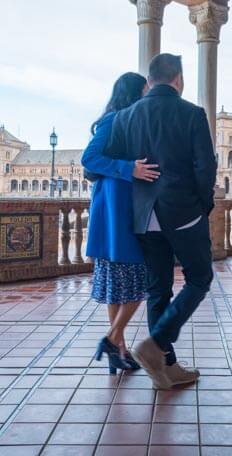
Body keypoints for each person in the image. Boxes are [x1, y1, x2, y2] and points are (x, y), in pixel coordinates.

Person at [105, 54, 217, 389]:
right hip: (183, 212)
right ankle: (156, 345)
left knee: (158, 291)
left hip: (143, 216)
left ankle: (164, 369)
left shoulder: (125, 118)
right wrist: (202, 205)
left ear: (150, 81)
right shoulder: (192, 114)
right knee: (199, 278)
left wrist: (132, 173)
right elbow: (205, 167)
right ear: (178, 79)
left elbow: (97, 165)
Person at [81, 72, 160, 374]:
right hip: (116, 211)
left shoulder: (127, 123)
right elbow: (89, 158)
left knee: (117, 286)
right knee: (140, 281)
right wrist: (130, 169)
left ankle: (119, 350)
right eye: (143, 91)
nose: (146, 96)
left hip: (119, 208)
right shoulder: (113, 121)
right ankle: (113, 340)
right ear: (132, 94)